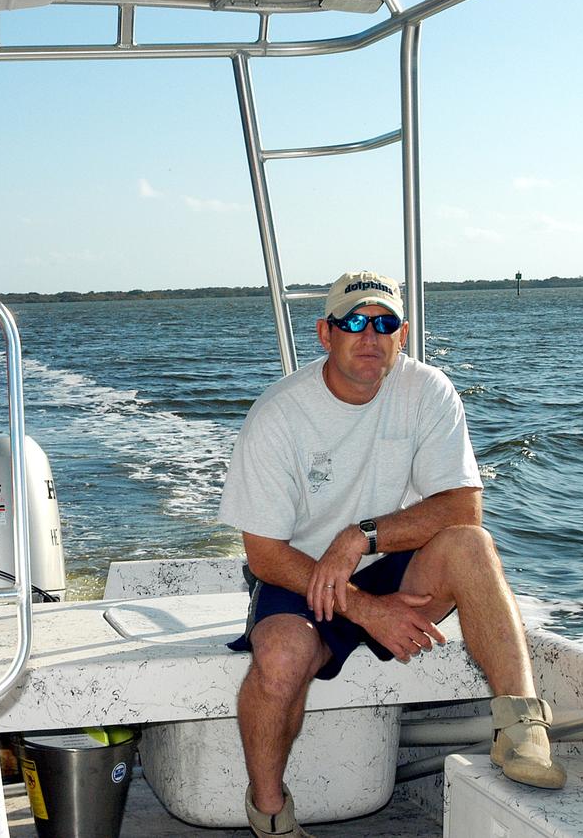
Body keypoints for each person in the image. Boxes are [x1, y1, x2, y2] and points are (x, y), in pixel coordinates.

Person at [220, 271, 564, 838]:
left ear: (401, 336)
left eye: (383, 323)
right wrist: (364, 608)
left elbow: (463, 508)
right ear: (324, 334)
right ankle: (270, 810)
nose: (369, 335)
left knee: (471, 544)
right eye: (353, 322)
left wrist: (363, 535)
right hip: (299, 572)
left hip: (390, 562)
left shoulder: (427, 389)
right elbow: (262, 554)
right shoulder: (279, 413)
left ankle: (520, 724)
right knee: (280, 658)